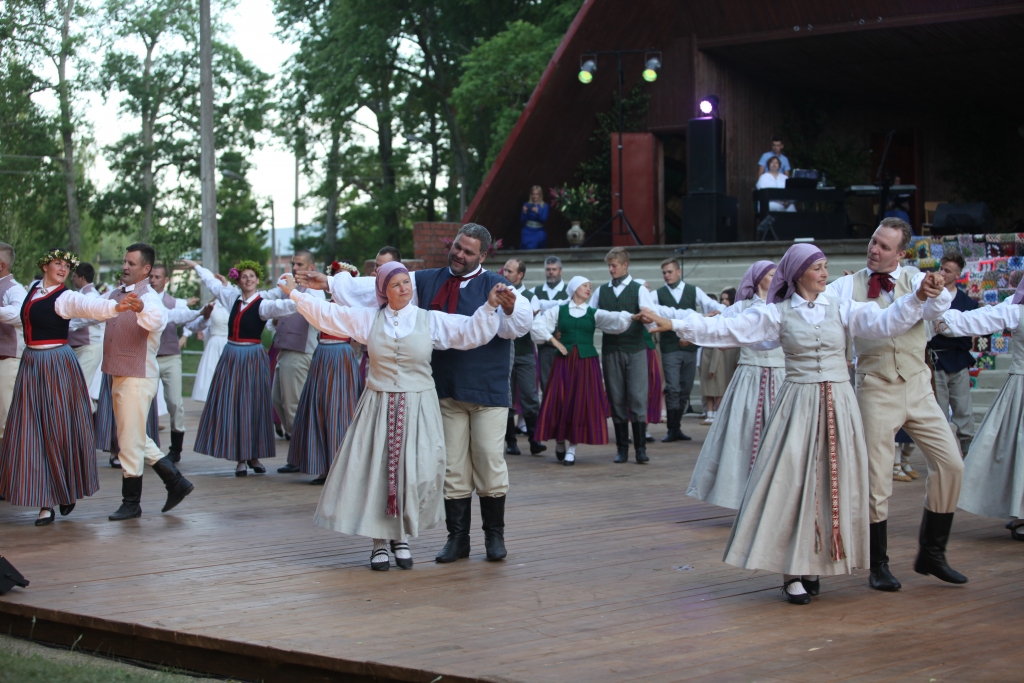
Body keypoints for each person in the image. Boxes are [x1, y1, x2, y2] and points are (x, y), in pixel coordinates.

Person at [641, 243, 944, 604]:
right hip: (799, 403)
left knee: (832, 482)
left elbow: (884, 323)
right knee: (794, 483)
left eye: (825, 266)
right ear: (799, 272)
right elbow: (731, 328)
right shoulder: (778, 313)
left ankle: (818, 561)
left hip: (839, 405)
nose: (824, 273)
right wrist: (676, 322)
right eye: (817, 267)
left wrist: (916, 299)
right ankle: (792, 572)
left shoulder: (841, 307)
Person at [300, 224, 531, 564]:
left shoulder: (493, 284)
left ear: (482, 255)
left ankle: (494, 537)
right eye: (457, 246)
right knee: (451, 467)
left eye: (468, 251)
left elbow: (518, 324)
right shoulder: (426, 279)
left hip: (487, 389)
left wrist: (507, 306)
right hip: (444, 389)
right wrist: (333, 282)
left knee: (488, 460)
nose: (459, 254)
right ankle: (458, 539)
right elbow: (385, 283)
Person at [825, 217, 964, 591]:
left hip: (918, 385)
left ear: (900, 253)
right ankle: (878, 564)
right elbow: (871, 324)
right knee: (876, 480)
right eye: (873, 241)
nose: (874, 249)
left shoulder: (917, 277)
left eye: (885, 246)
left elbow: (939, 309)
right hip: (875, 387)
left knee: (951, 464)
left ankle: (932, 553)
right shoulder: (844, 286)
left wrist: (937, 288)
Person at [0, 250, 133, 524]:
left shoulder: (65, 297)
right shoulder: (34, 290)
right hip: (31, 365)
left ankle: (64, 489)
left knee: (58, 427)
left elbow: (90, 306)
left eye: (66, 265)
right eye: (58, 264)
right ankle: (46, 499)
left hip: (56, 364)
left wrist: (115, 308)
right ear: (45, 266)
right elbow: (20, 319)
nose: (62, 269)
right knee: (31, 430)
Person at [182, 258, 298, 476]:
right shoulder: (232, 298)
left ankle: (253, 455)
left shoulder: (263, 304)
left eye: (251, 277)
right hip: (232, 356)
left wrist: (295, 291)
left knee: (252, 405)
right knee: (233, 405)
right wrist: (197, 267)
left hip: (252, 358)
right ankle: (240, 458)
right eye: (244, 276)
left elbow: (288, 306)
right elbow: (213, 284)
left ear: (257, 280)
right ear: (239, 279)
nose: (248, 280)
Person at [103, 243, 194, 521]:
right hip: (120, 373)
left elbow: (158, 319)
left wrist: (141, 307)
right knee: (133, 435)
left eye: (131, 263)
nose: (125, 267)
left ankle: (131, 502)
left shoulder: (151, 298)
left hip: (138, 376)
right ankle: (175, 481)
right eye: (124, 262)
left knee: (129, 441)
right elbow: (95, 311)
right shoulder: (116, 294)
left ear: (146, 269)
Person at [684, 261, 785, 509]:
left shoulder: (783, 306)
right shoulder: (742, 307)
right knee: (743, 435)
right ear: (759, 278)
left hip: (781, 376)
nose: (775, 278)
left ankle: (779, 499)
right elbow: (722, 335)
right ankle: (745, 498)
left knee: (780, 436)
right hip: (749, 377)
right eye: (771, 274)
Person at [935, 284, 1024, 540]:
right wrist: (936, 316)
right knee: (1017, 451)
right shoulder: (1016, 311)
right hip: (1021, 389)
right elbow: (976, 320)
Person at [532, 276, 633, 465]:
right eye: (585, 285)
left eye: (590, 286)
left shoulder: (593, 312)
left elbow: (615, 320)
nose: (589, 288)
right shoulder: (559, 310)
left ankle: (572, 448)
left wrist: (632, 316)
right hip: (564, 361)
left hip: (586, 363)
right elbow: (537, 325)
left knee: (580, 403)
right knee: (560, 401)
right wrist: (555, 341)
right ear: (574, 288)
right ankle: (560, 439)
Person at [283, 261, 364, 484]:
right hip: (322, 354)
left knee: (341, 411)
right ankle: (323, 466)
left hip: (341, 356)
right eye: (336, 277)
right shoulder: (324, 302)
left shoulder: (355, 305)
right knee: (319, 408)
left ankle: (342, 469)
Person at [589, 248, 656, 463]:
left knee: (637, 397)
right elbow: (590, 316)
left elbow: (651, 315)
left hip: (635, 349)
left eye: (614, 265)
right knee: (616, 398)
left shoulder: (638, 289)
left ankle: (641, 449)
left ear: (625, 265)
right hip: (611, 350)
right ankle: (622, 449)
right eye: (609, 265)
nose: (611, 269)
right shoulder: (601, 291)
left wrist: (646, 319)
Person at [654, 257, 725, 442]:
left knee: (685, 387)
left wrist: (723, 310)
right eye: (664, 273)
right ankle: (672, 427)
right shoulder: (657, 294)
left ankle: (677, 427)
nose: (667, 275)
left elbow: (711, 304)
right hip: (670, 346)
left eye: (669, 272)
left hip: (690, 347)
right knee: (673, 387)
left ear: (678, 272)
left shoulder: (693, 291)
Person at [270, 250, 324, 442]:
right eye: (293, 264)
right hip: (284, 350)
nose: (294, 267)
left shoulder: (314, 290)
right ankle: (297, 442)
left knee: (294, 404)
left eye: (299, 264)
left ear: (311, 268)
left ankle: (302, 449)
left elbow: (317, 314)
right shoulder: (290, 287)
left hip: (300, 351)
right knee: (277, 399)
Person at [149, 265, 200, 463]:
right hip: (149, 357)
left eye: (157, 277)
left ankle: (176, 448)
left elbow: (189, 320)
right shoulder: (143, 300)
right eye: (151, 276)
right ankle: (149, 444)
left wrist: (185, 335)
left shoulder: (175, 303)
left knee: (174, 402)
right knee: (145, 402)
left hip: (171, 357)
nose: (153, 280)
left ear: (166, 280)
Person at [927, 254, 977, 456]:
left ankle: (968, 454)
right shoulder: (929, 299)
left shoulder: (967, 303)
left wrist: (950, 327)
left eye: (947, 270)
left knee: (963, 409)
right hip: (935, 360)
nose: (942, 273)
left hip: (958, 359)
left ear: (957, 275)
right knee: (938, 411)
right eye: (941, 268)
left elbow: (971, 332)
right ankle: (942, 456)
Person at [501, 258, 545, 456]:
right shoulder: (499, 293)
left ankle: (534, 439)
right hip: (503, 353)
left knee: (529, 395)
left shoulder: (530, 296)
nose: (506, 274)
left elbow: (534, 324)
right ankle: (511, 442)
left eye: (510, 271)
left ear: (520, 275)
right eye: (505, 270)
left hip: (525, 353)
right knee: (507, 398)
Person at [0, 242, 27, 443]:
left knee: (6, 417)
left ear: (1, 265)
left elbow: (20, 314)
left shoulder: (15, 289)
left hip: (8, 360)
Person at [68, 262, 103, 411]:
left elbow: (92, 317)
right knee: (76, 388)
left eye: (74, 276)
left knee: (78, 388)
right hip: (78, 348)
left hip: (89, 347)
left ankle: (93, 420)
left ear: (81, 278)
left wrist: (70, 323)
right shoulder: (81, 295)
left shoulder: (91, 296)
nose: (71, 279)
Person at [530, 256, 569, 392]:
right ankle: (549, 413)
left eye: (554, 269)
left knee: (565, 383)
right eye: (548, 269)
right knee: (546, 384)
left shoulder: (569, 291)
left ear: (560, 271)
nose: (551, 272)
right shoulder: (535, 292)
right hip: (544, 347)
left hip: (565, 345)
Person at [187, 299, 228, 402]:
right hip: (214, 343)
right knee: (211, 373)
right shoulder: (210, 305)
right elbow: (201, 323)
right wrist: (203, 333)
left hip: (230, 343)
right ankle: (212, 403)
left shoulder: (234, 303)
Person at [519, 185, 549, 250]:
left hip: (539, 230)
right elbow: (522, 221)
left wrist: (538, 212)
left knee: (542, 237)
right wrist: (524, 213)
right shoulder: (526, 204)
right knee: (527, 246)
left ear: (540, 195)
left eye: (537, 194)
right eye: (533, 194)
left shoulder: (544, 206)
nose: (535, 196)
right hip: (527, 230)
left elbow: (544, 220)